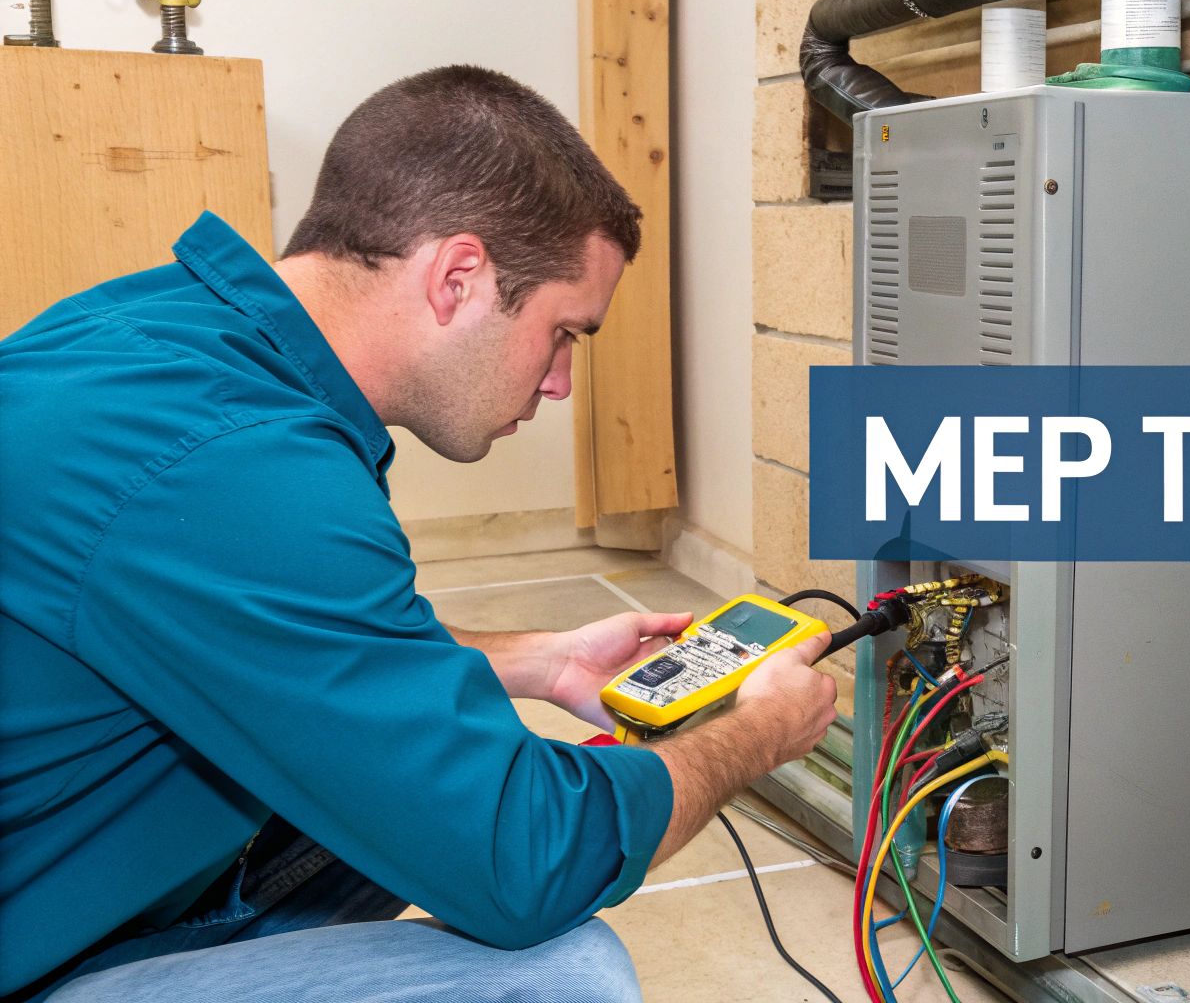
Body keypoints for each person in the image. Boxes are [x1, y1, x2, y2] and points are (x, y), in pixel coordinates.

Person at [0, 65, 837, 1002]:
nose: (560, 382)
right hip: (37, 949)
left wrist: (538, 660)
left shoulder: (153, 337)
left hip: (53, 874)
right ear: (459, 276)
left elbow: (290, 643)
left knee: (389, 803)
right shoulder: (242, 473)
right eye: (566, 333)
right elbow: (531, 864)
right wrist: (758, 733)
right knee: (562, 975)